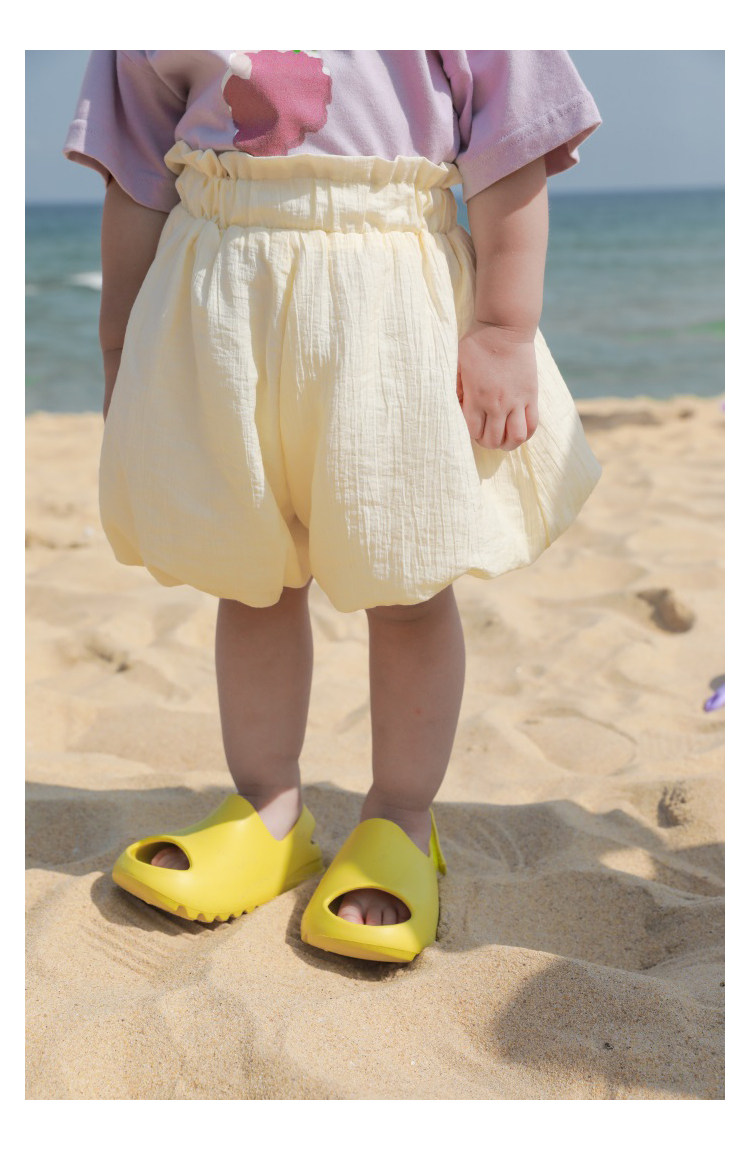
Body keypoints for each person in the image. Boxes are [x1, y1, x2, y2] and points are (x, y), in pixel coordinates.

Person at [64, 50, 602, 963]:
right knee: (253, 575)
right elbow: (139, 174)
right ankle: (269, 808)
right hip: (218, 308)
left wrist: (505, 328)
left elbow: (510, 149)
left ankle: (400, 816)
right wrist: (121, 345)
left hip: (392, 306)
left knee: (408, 580)